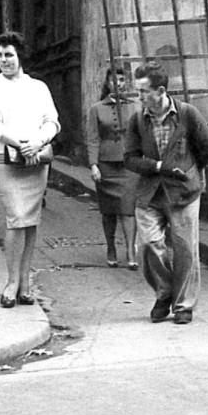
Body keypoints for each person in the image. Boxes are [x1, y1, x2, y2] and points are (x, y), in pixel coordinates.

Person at [124, 60, 208, 325]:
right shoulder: (137, 120)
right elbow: (130, 158)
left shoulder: (188, 114)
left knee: (185, 248)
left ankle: (183, 305)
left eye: (143, 92)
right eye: (138, 91)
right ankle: (164, 293)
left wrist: (190, 172)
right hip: (150, 193)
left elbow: (207, 150)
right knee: (149, 245)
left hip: (183, 194)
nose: (139, 97)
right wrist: (157, 166)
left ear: (161, 90)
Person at [0, 31, 60, 308]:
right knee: (16, 215)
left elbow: (52, 122)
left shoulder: (38, 87)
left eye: (9, 54)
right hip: (3, 156)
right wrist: (19, 143)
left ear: (20, 56)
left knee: (30, 218)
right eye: (0, 55)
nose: (4, 60)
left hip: (35, 159)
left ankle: (25, 282)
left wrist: (36, 143)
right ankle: (11, 282)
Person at [86, 67, 139, 269]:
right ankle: (111, 248)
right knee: (108, 211)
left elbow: (139, 135)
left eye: (122, 80)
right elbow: (92, 139)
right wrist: (93, 165)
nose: (119, 84)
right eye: (115, 80)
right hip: (105, 165)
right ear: (108, 83)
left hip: (129, 166)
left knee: (128, 210)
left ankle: (131, 251)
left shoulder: (134, 107)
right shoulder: (97, 108)